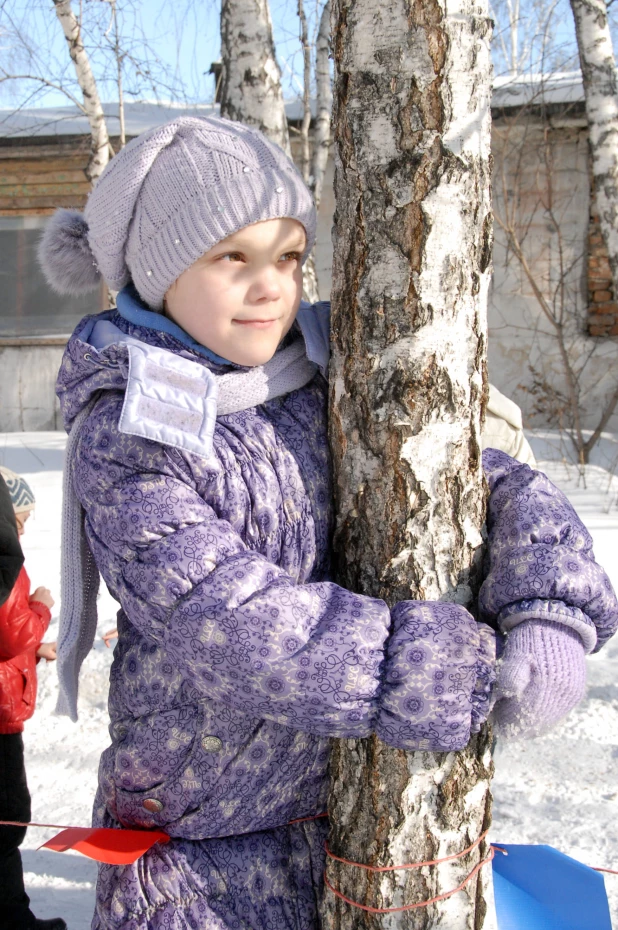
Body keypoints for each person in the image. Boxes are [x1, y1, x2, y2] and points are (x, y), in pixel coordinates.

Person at [39, 117, 617, 930]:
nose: (270, 286)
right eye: (230, 258)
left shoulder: (324, 374)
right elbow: (226, 617)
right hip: (199, 847)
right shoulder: (130, 435)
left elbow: (483, 479)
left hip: (355, 825)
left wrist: (550, 605)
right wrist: (432, 669)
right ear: (156, 273)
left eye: (287, 256)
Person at [0, 467, 65, 930]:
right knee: (7, 820)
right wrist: (41, 605)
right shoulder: (4, 562)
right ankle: (12, 922)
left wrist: (35, 651)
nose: (22, 528)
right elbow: (11, 631)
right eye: (19, 517)